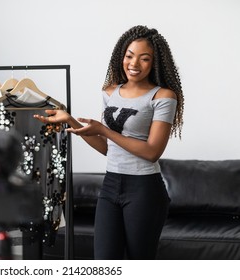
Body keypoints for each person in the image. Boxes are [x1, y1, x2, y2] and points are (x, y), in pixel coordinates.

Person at [34, 25, 184, 260]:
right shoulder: (110, 91)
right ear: (121, 56)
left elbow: (152, 151)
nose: (134, 64)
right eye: (129, 56)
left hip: (144, 189)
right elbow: (107, 147)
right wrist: (71, 120)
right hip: (111, 185)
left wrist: (104, 130)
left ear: (155, 63)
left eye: (144, 59)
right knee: (104, 262)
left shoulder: (163, 96)